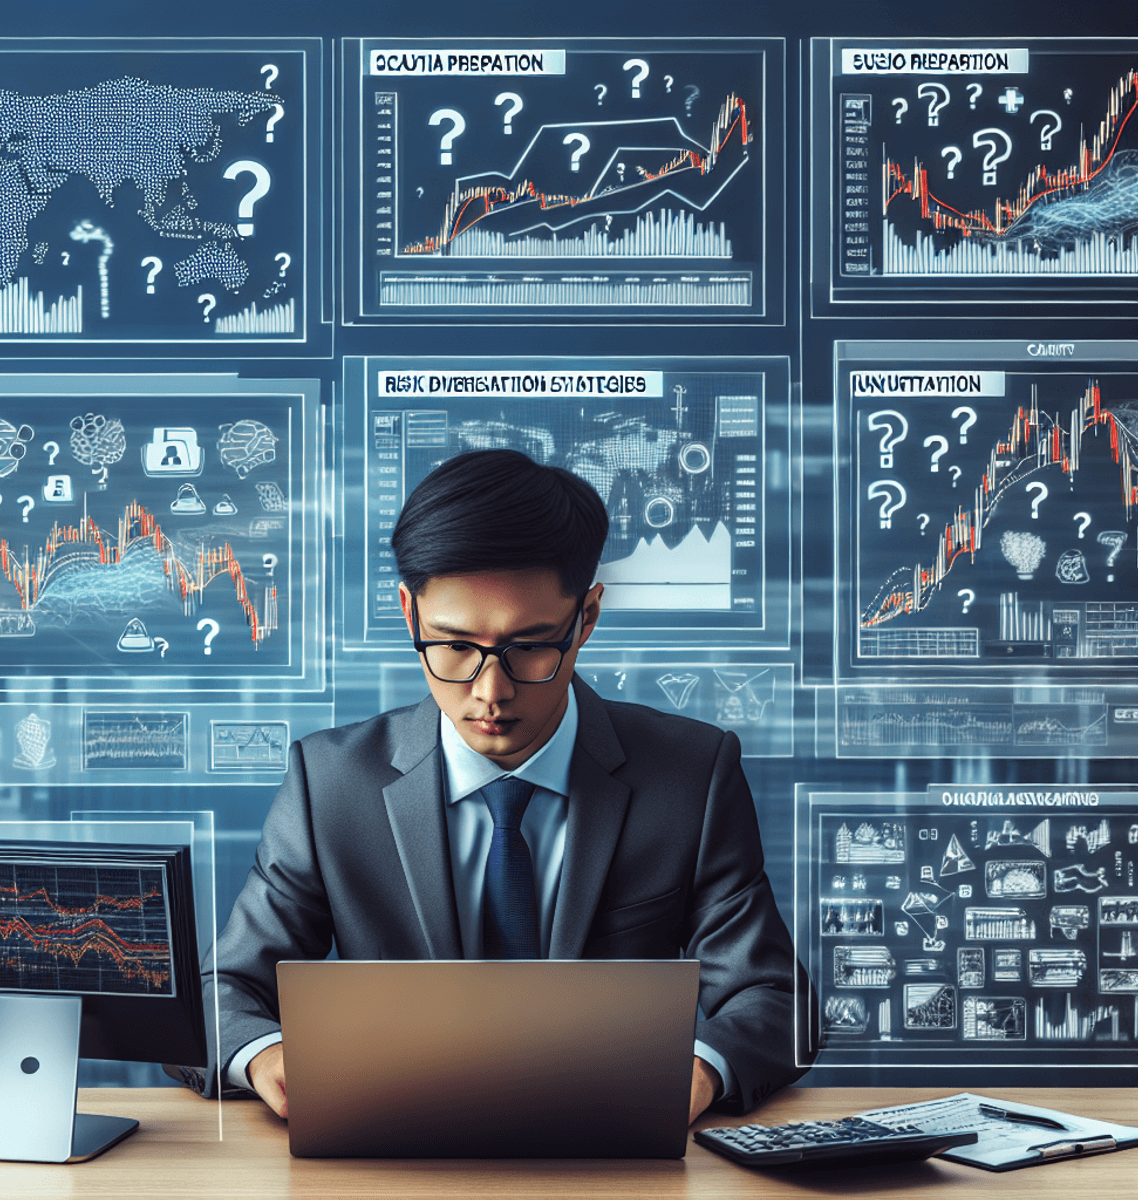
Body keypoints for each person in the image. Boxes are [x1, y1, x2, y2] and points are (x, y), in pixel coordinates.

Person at [199, 448, 808, 1122]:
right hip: (391, 1152)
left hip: (612, 1156)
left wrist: (699, 1070)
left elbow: (774, 999)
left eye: (529, 647)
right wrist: (263, 1053)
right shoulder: (331, 783)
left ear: (588, 618)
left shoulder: (691, 774)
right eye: (454, 646)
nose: (491, 693)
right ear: (409, 615)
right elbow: (222, 990)